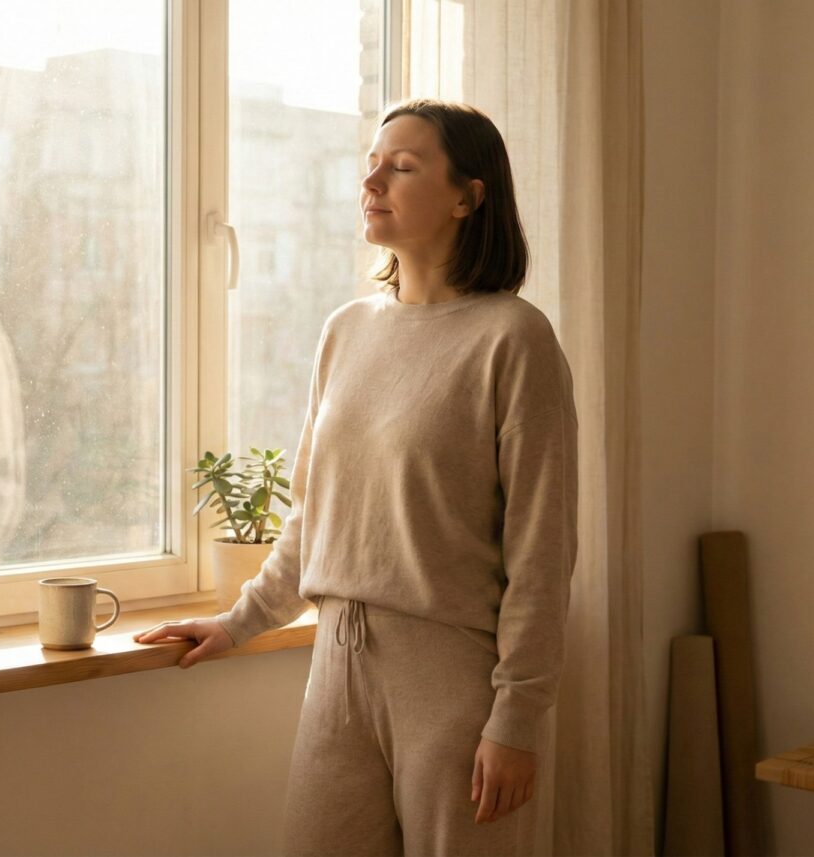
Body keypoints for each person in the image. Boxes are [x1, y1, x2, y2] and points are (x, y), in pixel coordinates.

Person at [133, 98, 577, 857]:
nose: (372, 179)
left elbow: (542, 551)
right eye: (371, 162)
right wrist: (240, 619)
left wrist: (517, 717)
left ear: (469, 197)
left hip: (453, 681)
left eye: (402, 166)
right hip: (335, 668)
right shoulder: (345, 330)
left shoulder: (514, 339)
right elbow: (316, 513)